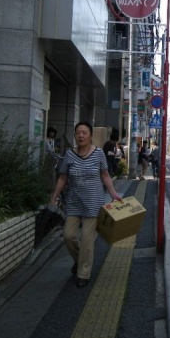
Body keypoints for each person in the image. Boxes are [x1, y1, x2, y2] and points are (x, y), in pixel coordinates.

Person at [49, 121, 122, 288]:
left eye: (84, 133)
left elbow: (104, 175)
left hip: (93, 202)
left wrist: (113, 194)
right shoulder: (69, 154)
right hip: (74, 201)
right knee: (68, 236)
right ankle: (79, 260)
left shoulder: (98, 154)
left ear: (90, 136)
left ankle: (83, 273)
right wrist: (54, 196)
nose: (81, 135)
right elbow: (62, 177)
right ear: (75, 135)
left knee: (87, 240)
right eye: (78, 132)